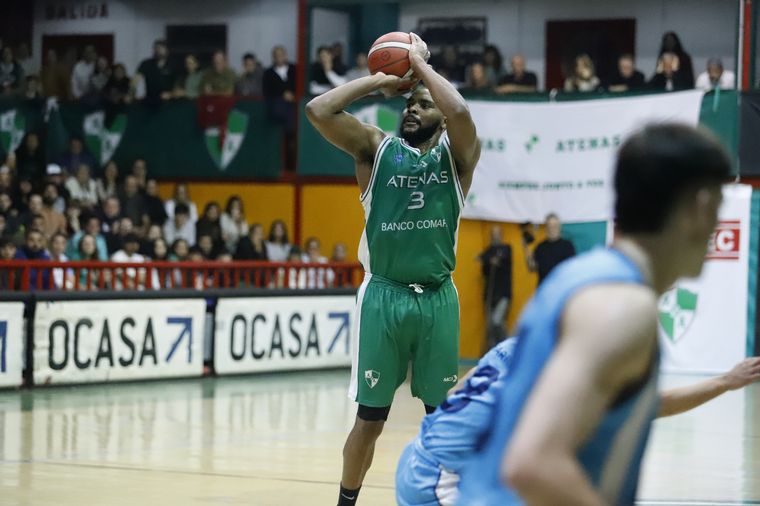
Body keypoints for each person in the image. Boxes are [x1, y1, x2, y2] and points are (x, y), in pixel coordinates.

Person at [456, 124, 730, 505]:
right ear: (699, 207)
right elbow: (534, 463)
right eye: (720, 206)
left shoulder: (582, 278)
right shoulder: (622, 307)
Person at [306, 32, 480, 506]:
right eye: (410, 104)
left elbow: (462, 114)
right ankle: (346, 501)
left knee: (442, 420)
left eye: (424, 105)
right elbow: (318, 111)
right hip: (384, 296)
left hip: (438, 298)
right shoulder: (375, 150)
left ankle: (447, 498)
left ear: (440, 118)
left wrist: (419, 66)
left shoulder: (457, 159)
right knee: (370, 419)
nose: (412, 109)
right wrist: (382, 79)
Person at [396, 337, 760, 506]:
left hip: (415, 460)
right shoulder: (559, 382)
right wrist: (724, 382)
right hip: (437, 486)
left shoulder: (514, 347)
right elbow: (653, 406)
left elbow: (459, 392)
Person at [263, 46, 297, 170]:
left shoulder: (295, 69)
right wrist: (282, 95)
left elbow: (299, 87)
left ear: (285, 55)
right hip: (277, 110)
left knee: (292, 138)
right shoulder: (268, 73)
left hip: (294, 109)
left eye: (281, 54)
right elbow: (267, 92)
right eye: (276, 55)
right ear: (273, 57)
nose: (279, 57)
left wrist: (293, 95)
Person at [478, 226, 512, 349]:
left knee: (497, 321)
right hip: (490, 293)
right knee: (490, 326)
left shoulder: (506, 248)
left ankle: (508, 348)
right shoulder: (488, 251)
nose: (495, 236)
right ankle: (493, 352)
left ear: (501, 235)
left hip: (503, 293)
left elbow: (500, 258)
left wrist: (487, 259)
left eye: (498, 233)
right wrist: (487, 260)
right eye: (493, 234)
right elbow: (483, 264)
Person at [523, 213, 575, 285]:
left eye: (554, 226)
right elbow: (532, 267)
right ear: (546, 228)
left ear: (559, 227)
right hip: (544, 289)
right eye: (549, 226)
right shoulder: (540, 247)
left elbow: (572, 269)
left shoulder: (567, 246)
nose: (552, 229)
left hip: (561, 288)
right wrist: (526, 248)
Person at [134, 39, 175, 104]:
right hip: (150, 101)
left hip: (169, 102)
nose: (158, 50)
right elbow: (135, 80)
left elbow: (179, 85)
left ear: (167, 50)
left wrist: (171, 94)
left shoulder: (173, 65)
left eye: (161, 48)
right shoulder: (146, 64)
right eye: (156, 48)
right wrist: (131, 93)